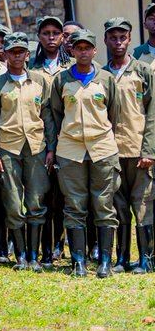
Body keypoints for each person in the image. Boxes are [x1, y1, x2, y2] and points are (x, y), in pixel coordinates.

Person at [46, 29, 124, 277]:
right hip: (71, 150)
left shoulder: (106, 79)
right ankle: (77, 262)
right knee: (75, 205)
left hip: (102, 148)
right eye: (78, 48)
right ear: (72, 50)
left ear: (94, 51)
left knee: (103, 204)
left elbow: (115, 114)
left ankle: (104, 261)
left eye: (87, 48)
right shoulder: (62, 80)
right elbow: (55, 114)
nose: (83, 52)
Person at [0, 32, 51, 272]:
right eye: (12, 51)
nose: (16, 56)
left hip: (36, 147)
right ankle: (20, 256)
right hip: (8, 148)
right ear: (5, 54)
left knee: (36, 201)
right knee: (13, 203)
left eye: (21, 52)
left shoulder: (39, 82)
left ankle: (34, 256)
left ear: (27, 54)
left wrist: (51, 148)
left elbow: (48, 116)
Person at [100, 18, 155, 273]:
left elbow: (152, 113)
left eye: (122, 37)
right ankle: (122, 257)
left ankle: (146, 258)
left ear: (130, 39)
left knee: (142, 204)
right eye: (113, 37)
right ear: (105, 40)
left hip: (138, 149)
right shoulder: (102, 74)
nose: (118, 42)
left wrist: (149, 150)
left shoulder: (143, 71)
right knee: (119, 207)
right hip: (111, 151)